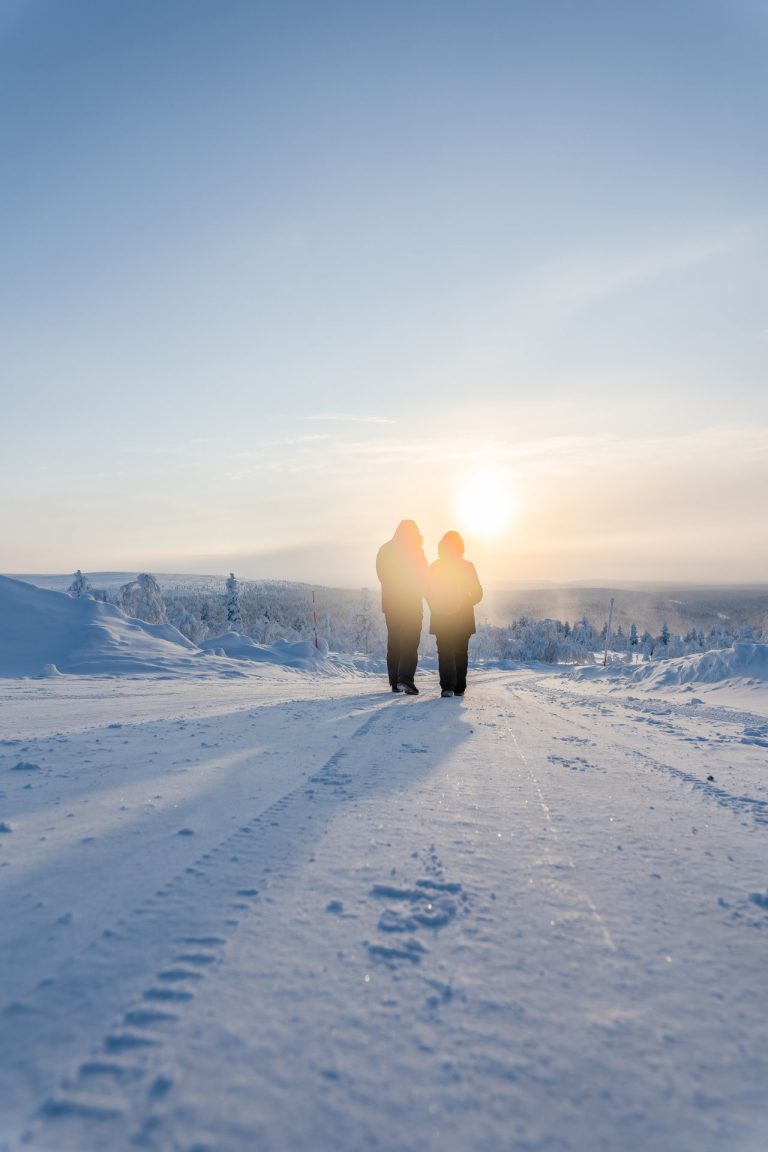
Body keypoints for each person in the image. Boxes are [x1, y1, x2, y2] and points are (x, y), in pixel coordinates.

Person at [427, 531, 483, 697]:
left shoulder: (435, 566)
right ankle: (459, 687)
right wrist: (466, 601)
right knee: (460, 651)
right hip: (463, 617)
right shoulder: (467, 566)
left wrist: (434, 606)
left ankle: (447, 687)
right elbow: (478, 593)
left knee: (445, 651)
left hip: (440, 615)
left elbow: (427, 590)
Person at [376, 520, 428, 694]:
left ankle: (394, 682)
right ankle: (405, 679)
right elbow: (424, 577)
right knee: (410, 642)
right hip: (411, 603)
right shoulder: (416, 552)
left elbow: (381, 574)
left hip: (391, 604)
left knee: (395, 642)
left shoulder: (385, 549)